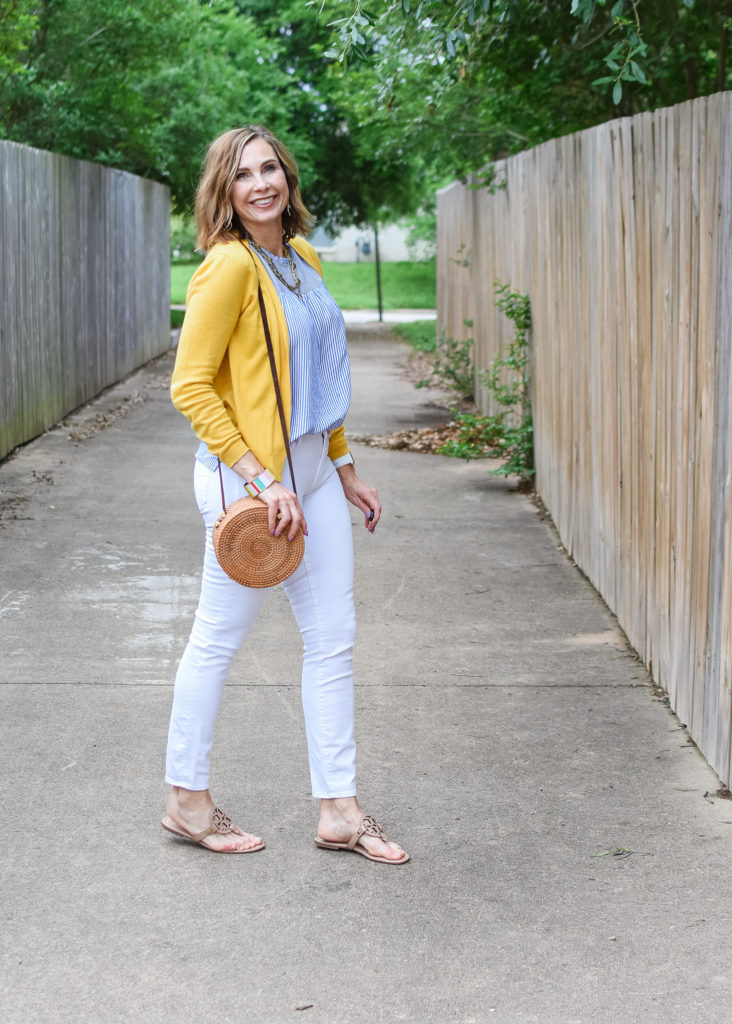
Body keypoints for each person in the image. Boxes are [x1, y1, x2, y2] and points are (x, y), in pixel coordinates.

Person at [161, 125, 408, 864]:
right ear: (225, 192)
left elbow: (318, 384)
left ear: (286, 179)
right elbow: (191, 386)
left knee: (332, 639)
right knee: (218, 638)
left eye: (271, 168)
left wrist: (344, 466)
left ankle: (339, 808)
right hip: (247, 481)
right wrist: (263, 479)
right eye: (244, 175)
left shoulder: (300, 257)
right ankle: (186, 800)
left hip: (312, 476)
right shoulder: (228, 268)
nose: (261, 183)